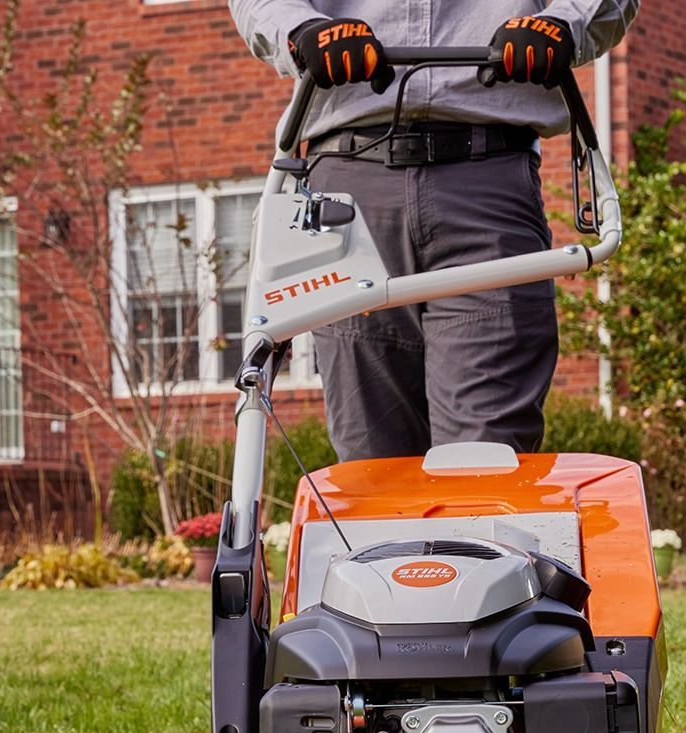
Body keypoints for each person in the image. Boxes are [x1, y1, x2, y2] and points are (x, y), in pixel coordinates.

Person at [229, 2, 638, 462]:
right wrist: (302, 30)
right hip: (347, 195)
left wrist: (564, 21)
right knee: (371, 458)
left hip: (486, 183)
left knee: (485, 456)